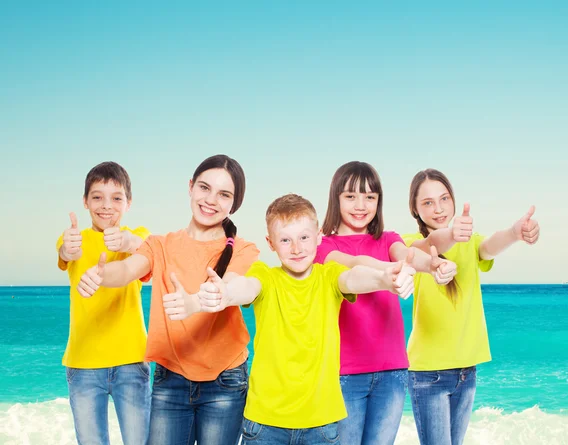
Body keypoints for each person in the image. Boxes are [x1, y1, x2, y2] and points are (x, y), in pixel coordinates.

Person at [163, 193, 416, 445]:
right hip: (265, 425)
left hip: (322, 424)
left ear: (318, 236)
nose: (296, 248)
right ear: (270, 243)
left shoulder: (329, 276)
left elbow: (354, 277)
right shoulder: (266, 276)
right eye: (285, 240)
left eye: (304, 237)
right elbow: (245, 287)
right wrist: (216, 296)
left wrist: (384, 279)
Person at [77, 154, 259, 445]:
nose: (211, 200)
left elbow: (240, 287)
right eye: (204, 188)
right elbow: (126, 269)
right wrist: (100, 275)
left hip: (225, 382)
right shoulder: (159, 245)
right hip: (169, 382)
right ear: (190, 187)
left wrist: (208, 298)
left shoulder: (243, 249)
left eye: (224, 194)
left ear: (234, 203)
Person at [313, 161, 458, 445]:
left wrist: (435, 265)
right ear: (336, 199)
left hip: (392, 372)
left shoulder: (388, 238)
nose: (361, 205)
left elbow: (408, 255)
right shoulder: (324, 247)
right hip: (344, 373)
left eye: (370, 197)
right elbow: (354, 263)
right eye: (350, 196)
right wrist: (386, 271)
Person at [403, 168, 540, 445]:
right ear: (415, 210)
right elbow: (430, 243)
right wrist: (452, 233)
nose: (438, 209)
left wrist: (515, 232)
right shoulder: (409, 245)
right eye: (427, 203)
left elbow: (490, 246)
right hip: (429, 373)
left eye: (444, 199)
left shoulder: (470, 243)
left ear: (453, 200)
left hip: (467, 371)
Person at [56, 161, 151, 445]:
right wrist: (66, 247)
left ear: (128, 203)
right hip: (83, 364)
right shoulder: (74, 238)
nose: (106, 205)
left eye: (116, 198)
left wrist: (125, 241)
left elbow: (144, 246)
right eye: (97, 197)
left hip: (131, 361)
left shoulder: (138, 236)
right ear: (85, 202)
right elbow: (64, 251)